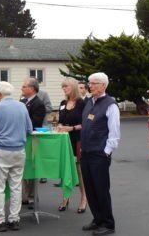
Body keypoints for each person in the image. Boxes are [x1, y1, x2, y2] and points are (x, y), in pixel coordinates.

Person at [0, 81, 33, 232]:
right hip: (19, 150)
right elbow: (29, 129)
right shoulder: (22, 106)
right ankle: (14, 219)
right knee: (16, 186)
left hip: (1, 150)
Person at [81, 72, 120, 236]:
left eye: (94, 83)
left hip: (99, 155)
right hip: (86, 153)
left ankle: (108, 223)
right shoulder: (89, 101)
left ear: (103, 85)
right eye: (89, 83)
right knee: (90, 189)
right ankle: (97, 219)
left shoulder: (110, 104)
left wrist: (106, 152)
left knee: (101, 189)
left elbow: (114, 132)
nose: (90, 86)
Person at [57, 77, 87, 213]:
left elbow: (86, 124)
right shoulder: (63, 103)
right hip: (64, 140)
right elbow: (60, 121)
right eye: (63, 87)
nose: (64, 89)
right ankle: (66, 197)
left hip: (77, 139)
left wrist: (72, 128)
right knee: (65, 169)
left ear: (73, 87)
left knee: (79, 171)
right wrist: (59, 125)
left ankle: (83, 199)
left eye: (66, 86)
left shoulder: (82, 103)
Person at [20, 78, 46, 208]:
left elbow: (36, 123)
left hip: (32, 140)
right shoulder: (23, 101)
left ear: (32, 89)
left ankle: (31, 197)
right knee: (23, 168)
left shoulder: (38, 104)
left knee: (31, 168)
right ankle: (24, 195)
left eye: (24, 86)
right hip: (22, 140)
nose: (21, 88)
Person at [37, 88, 53, 184]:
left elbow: (49, 108)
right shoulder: (24, 95)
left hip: (42, 126)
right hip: (29, 126)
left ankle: (43, 174)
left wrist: (38, 108)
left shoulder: (43, 94)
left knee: (41, 150)